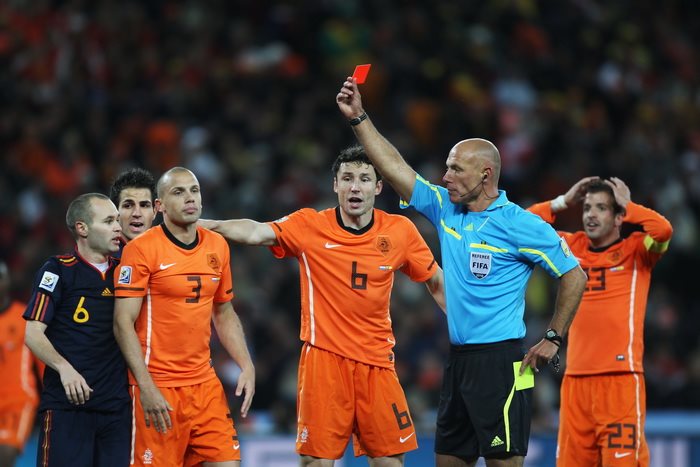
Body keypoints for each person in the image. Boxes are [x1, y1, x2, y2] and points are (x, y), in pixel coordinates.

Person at [336, 78, 588, 467]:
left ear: (486, 174)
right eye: (447, 168)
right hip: (457, 361)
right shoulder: (445, 208)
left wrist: (553, 337)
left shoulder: (520, 224)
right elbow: (396, 167)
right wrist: (359, 118)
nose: (446, 177)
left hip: (502, 364)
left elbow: (574, 275)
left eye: (456, 169)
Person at [200, 145, 446, 467]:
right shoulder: (310, 225)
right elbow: (256, 231)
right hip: (324, 362)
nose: (355, 187)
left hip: (377, 364)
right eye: (347, 178)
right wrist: (201, 225)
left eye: (364, 179)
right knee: (316, 461)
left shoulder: (400, 231)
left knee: (389, 461)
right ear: (335, 185)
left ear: (378, 187)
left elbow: (437, 282)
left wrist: (469, 330)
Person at [113, 167, 255, 467]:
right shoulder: (141, 250)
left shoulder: (217, 245)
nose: (190, 198)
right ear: (160, 206)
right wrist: (146, 387)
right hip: (159, 385)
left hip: (205, 385)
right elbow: (122, 323)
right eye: (178, 192)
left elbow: (224, 311)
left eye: (194, 190)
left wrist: (246, 364)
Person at [528, 177, 673, 467]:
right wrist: (563, 202)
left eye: (602, 208)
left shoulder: (638, 251)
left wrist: (629, 205)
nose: (591, 215)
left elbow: (663, 230)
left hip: (620, 380)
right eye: (587, 208)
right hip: (575, 382)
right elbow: (522, 227)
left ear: (619, 217)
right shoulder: (571, 246)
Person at [23, 193, 130, 467]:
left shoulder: (126, 272)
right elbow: (33, 333)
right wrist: (64, 368)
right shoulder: (58, 270)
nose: (118, 227)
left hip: (116, 410)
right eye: (108, 221)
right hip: (67, 408)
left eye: (117, 220)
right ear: (82, 228)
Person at [0, 260, 42, 467]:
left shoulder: (24, 317)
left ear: (7, 281)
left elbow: (43, 361)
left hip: (17, 401)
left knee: (5, 454)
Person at [109, 167, 158, 244]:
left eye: (144, 205)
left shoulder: (166, 250)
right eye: (128, 206)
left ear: (155, 211)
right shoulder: (102, 251)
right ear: (115, 212)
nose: (137, 214)